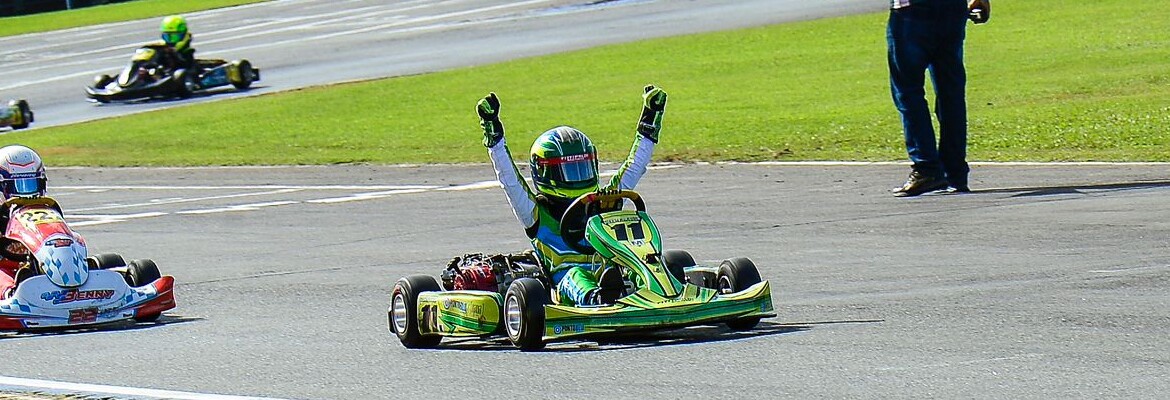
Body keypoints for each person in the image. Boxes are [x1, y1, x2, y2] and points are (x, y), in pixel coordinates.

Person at [476, 85, 668, 306]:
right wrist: (494, 134)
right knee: (577, 276)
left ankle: (666, 291)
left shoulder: (604, 202)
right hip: (564, 290)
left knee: (644, 263)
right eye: (568, 171)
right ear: (545, 172)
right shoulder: (536, 213)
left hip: (611, 273)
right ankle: (595, 299)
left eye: (582, 167)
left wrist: (651, 117)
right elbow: (509, 181)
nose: (577, 177)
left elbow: (634, 167)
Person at [888, 0, 990, 197]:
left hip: (910, 11)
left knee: (908, 91)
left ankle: (926, 168)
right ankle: (955, 172)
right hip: (952, 9)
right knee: (950, 92)